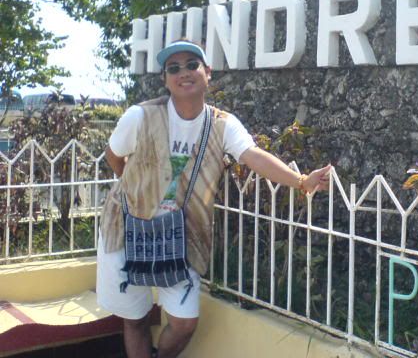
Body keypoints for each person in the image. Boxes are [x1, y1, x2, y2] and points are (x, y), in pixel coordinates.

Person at [97, 40, 331, 358]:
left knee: (184, 322)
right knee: (135, 318)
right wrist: (138, 192)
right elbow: (114, 158)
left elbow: (253, 156)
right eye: (173, 68)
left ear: (208, 73)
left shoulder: (222, 124)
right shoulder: (140, 116)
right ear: (165, 79)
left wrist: (301, 181)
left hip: (181, 233)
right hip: (126, 227)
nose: (183, 72)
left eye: (192, 64)